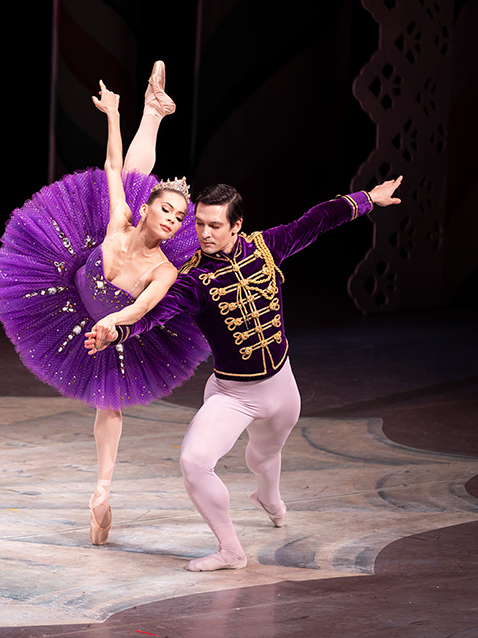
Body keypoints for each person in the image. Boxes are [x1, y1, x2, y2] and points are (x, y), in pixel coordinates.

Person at [85, 177, 403, 570]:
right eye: (199, 223)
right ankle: (230, 549)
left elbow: (316, 220)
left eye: (215, 225)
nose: (204, 233)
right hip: (233, 395)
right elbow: (157, 314)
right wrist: (119, 330)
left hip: (283, 389)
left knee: (264, 458)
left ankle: (269, 499)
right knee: (194, 461)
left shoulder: (266, 248)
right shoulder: (193, 280)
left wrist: (369, 199)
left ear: (236, 226)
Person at [0, 63, 210, 546]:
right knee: (130, 174)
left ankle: (102, 492)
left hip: (113, 327)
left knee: (109, 404)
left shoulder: (165, 270)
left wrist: (113, 322)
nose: (173, 220)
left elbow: (142, 310)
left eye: (180, 216)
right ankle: (151, 113)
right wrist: (112, 114)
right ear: (149, 207)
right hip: (72, 293)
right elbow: (113, 169)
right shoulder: (120, 221)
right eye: (166, 209)